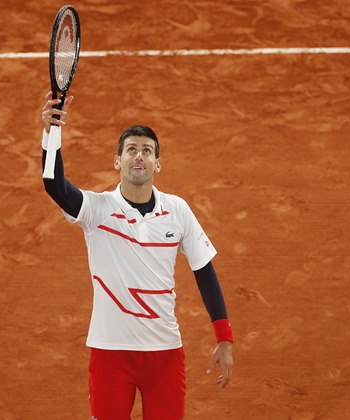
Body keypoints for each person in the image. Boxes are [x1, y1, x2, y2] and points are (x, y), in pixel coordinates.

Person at [40, 91, 233, 420]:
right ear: (118, 161)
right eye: (131, 150)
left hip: (165, 355)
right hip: (110, 354)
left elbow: (204, 272)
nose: (139, 156)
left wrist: (224, 338)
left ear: (158, 163)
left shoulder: (178, 211)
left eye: (147, 151)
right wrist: (51, 133)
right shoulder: (97, 210)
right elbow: (54, 185)